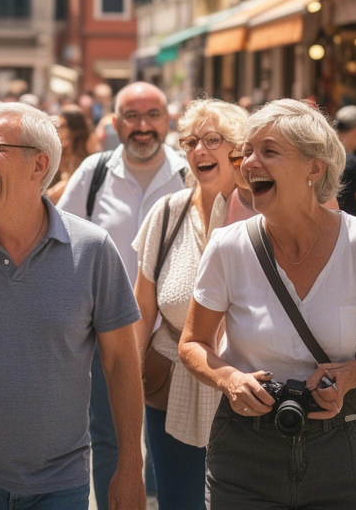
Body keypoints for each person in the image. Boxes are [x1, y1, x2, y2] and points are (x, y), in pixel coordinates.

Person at [180, 99, 356, 509]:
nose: (249, 163)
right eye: (248, 151)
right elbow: (193, 343)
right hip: (244, 450)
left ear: (314, 167)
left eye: (269, 151)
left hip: (341, 447)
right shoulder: (228, 247)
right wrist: (229, 380)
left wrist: (354, 374)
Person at [0, 102, 146, 510]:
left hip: (61, 486)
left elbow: (122, 361)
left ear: (39, 165)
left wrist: (129, 467)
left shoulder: (93, 249)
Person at [55, 81, 188, 509]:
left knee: (171, 437)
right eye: (132, 116)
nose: (143, 126)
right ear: (115, 123)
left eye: (152, 115)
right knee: (109, 437)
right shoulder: (93, 174)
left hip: (176, 337)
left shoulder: (191, 172)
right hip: (105, 333)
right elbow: (62, 240)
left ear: (167, 121)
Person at [131, 98, 247, 509]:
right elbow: (142, 311)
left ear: (239, 150)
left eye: (213, 139)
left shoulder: (261, 216)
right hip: (169, 381)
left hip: (244, 388)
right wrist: (128, 383)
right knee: (178, 502)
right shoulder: (166, 213)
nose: (199, 150)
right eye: (191, 141)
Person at [46, 106, 95, 205]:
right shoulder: (54, 154)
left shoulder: (86, 160)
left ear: (74, 130)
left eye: (62, 125)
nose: (57, 129)